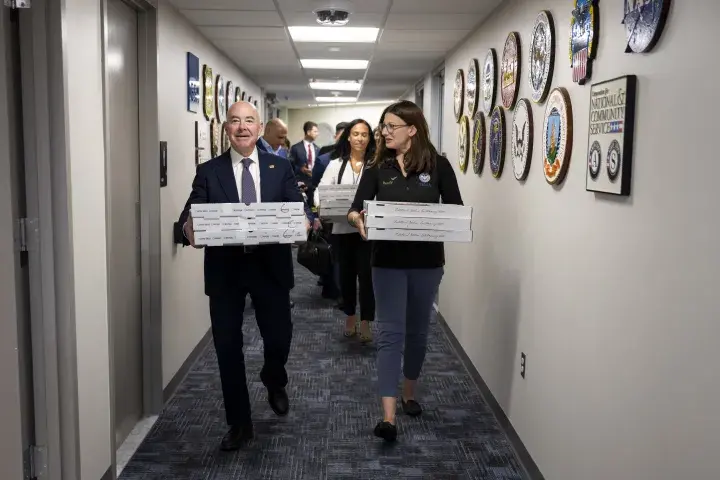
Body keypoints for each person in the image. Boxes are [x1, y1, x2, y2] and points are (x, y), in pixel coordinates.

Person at [177, 101, 311, 451]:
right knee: (227, 348)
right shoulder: (209, 171)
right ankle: (239, 423)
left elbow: (296, 206)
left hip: (270, 266)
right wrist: (188, 227)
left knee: (279, 338)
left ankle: (273, 376)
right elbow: (188, 217)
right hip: (226, 270)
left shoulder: (279, 167)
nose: (242, 127)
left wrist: (306, 219)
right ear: (226, 129)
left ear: (259, 126)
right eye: (235, 121)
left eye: (249, 121)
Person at [347, 100, 463, 442]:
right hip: (386, 262)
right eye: (383, 126)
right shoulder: (376, 169)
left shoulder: (439, 166)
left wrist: (440, 221)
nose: (384, 132)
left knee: (417, 333)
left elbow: (455, 209)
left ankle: (409, 392)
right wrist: (358, 221)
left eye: (391, 126)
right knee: (389, 334)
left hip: (427, 264)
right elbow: (355, 210)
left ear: (412, 129)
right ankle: (388, 417)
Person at [314, 119, 376, 342]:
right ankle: (350, 316)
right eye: (356, 133)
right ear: (348, 136)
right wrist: (320, 205)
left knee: (368, 278)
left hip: (368, 233)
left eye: (364, 134)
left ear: (370, 138)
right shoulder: (335, 164)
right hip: (341, 230)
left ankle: (367, 321)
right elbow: (320, 191)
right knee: (347, 277)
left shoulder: (376, 164)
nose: (360, 138)